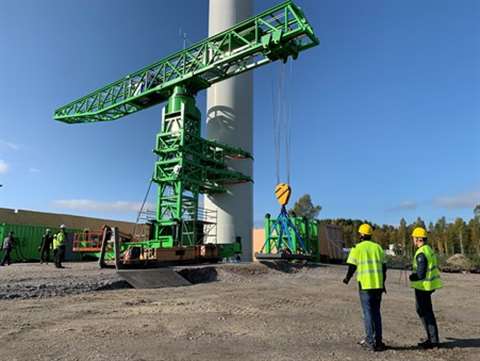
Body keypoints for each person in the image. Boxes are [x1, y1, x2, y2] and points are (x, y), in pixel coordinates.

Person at [343, 223, 387, 352]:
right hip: (378, 285)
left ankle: (370, 341)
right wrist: (383, 283)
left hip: (365, 285)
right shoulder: (378, 248)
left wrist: (347, 278)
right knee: (376, 313)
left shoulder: (357, 248)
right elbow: (384, 268)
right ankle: (378, 341)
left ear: (361, 234)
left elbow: (352, 266)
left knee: (367, 313)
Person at [409, 227, 442, 349]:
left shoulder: (421, 252)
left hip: (423, 287)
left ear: (418, 239)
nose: (413, 240)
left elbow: (421, 274)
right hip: (428, 286)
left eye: (413, 238)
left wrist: (412, 277)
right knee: (424, 311)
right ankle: (432, 338)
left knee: (425, 312)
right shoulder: (428, 250)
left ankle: (432, 340)